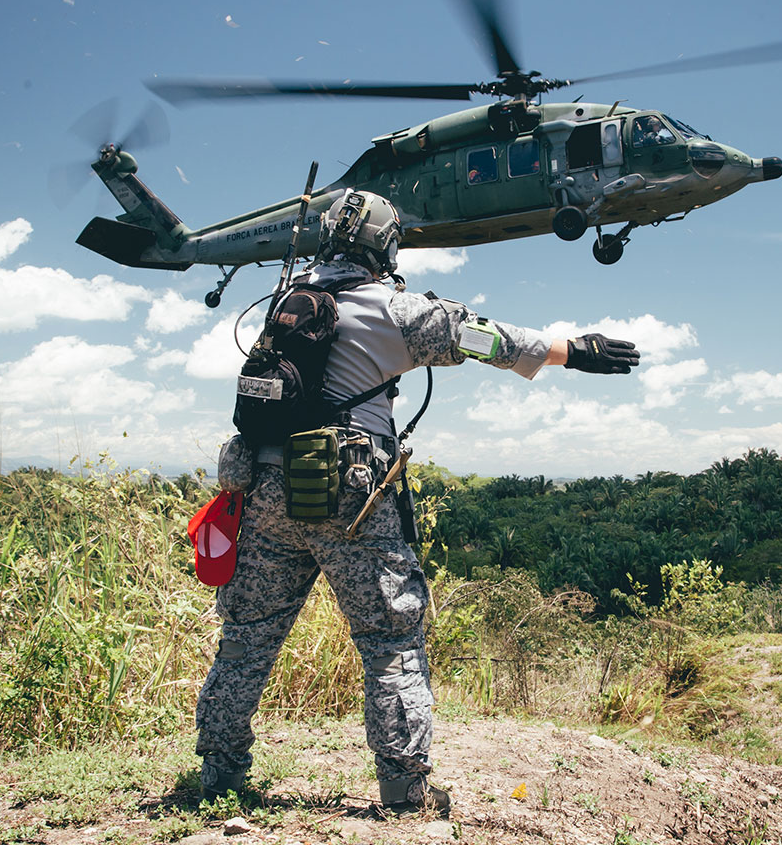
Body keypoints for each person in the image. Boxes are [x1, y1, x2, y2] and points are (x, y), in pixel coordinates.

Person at [198, 189, 640, 815]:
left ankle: (219, 772)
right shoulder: (392, 308)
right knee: (391, 640)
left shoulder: (283, 305)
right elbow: (488, 340)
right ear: (387, 243)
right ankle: (406, 790)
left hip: (266, 493)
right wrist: (575, 351)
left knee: (245, 637)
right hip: (346, 500)